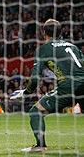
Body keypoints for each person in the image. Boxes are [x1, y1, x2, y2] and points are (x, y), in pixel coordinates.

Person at [10, 19, 84, 152]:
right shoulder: (73, 46)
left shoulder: (44, 49)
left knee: (35, 111)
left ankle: (40, 146)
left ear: (44, 33)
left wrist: (25, 92)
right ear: (61, 32)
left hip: (69, 85)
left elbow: (35, 77)